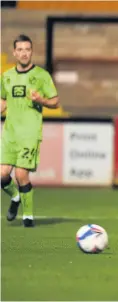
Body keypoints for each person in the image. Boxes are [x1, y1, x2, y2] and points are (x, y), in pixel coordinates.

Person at [1, 34, 60, 227]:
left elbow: (55, 101)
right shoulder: (6, 77)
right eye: (20, 50)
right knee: (2, 175)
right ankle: (16, 197)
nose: (24, 53)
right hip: (10, 132)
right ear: (14, 52)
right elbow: (2, 101)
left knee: (20, 175)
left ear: (31, 51)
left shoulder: (42, 76)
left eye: (27, 49)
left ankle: (27, 217)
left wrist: (41, 100)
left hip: (29, 133)